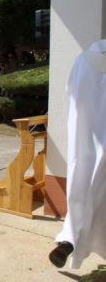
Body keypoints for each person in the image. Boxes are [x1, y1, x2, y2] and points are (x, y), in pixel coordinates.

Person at [49, 39, 106, 269]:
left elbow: (69, 91)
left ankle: (71, 238)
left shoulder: (83, 59)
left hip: (83, 137)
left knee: (81, 182)